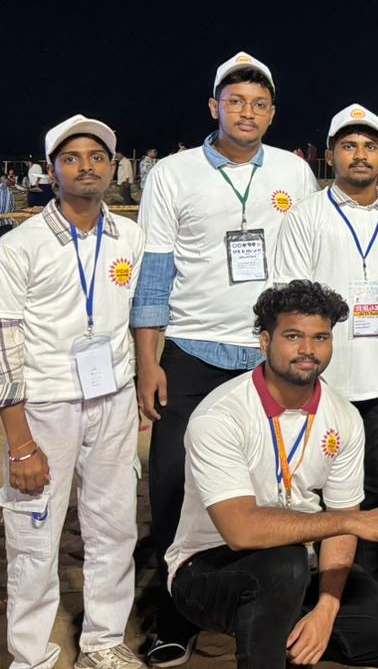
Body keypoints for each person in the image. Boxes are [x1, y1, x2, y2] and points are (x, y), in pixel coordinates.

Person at [131, 52, 320, 665]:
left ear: (273, 113)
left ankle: (257, 608)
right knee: (173, 483)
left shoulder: (293, 172)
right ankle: (171, 616)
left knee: (269, 485)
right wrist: (149, 361)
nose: (246, 113)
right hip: (191, 351)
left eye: (259, 104)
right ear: (214, 106)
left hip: (268, 356)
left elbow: (313, 251)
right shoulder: (173, 174)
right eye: (235, 102)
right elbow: (154, 273)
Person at [165, 280, 378, 669]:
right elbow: (241, 531)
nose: (308, 349)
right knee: (284, 564)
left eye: (320, 337)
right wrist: (352, 520)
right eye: (293, 336)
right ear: (265, 342)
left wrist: (326, 611)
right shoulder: (221, 415)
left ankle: (274, 637)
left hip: (299, 564)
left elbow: (341, 526)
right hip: (208, 568)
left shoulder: (344, 416)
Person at [0, 115, 146, 669]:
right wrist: (19, 443)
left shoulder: (130, 237)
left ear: (112, 165)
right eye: (71, 158)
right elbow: (4, 344)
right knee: (34, 534)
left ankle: (104, 642)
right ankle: (31, 655)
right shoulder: (21, 245)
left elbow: (134, 320)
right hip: (45, 406)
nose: (86, 167)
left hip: (112, 400)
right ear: (51, 170)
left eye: (97, 157)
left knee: (114, 527)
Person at [273, 104, 378, 577]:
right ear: (329, 155)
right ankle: (317, 584)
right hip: (326, 381)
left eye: (369, 146)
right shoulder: (306, 216)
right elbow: (289, 300)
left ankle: (366, 585)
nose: (360, 155)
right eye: (348, 146)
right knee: (318, 488)